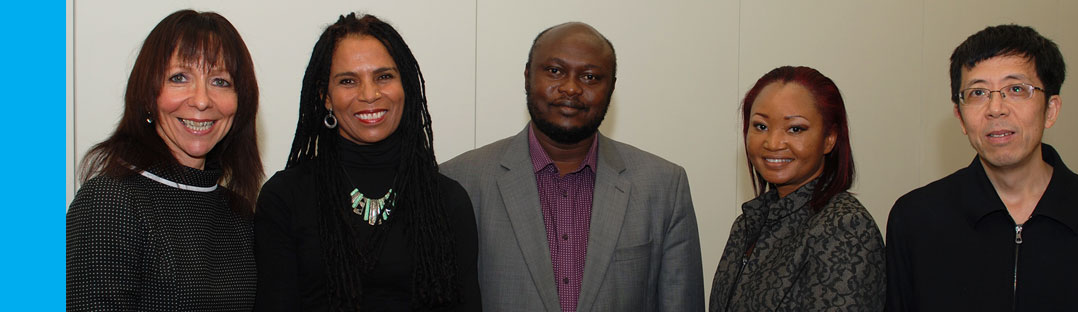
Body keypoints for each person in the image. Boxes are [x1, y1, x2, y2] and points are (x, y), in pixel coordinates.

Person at [439, 22, 704, 312]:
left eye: (590, 77)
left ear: (611, 88)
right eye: (555, 71)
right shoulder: (460, 181)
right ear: (527, 76)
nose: (571, 88)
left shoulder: (663, 187)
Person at [885, 24, 1078, 311]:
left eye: (1016, 89)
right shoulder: (916, 219)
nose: (996, 108)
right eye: (977, 93)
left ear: (1050, 110)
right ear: (961, 118)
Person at [254, 13, 480, 311]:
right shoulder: (285, 197)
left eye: (384, 77)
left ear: (406, 86)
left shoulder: (447, 200)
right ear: (326, 97)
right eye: (348, 81)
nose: (370, 94)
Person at [66, 9, 262, 311]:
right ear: (148, 96)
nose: (201, 99)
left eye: (220, 81)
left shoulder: (238, 213)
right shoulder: (109, 201)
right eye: (179, 77)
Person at [709, 66, 885, 311]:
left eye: (795, 129)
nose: (772, 143)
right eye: (760, 126)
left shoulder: (844, 226)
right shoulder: (747, 225)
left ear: (829, 138)